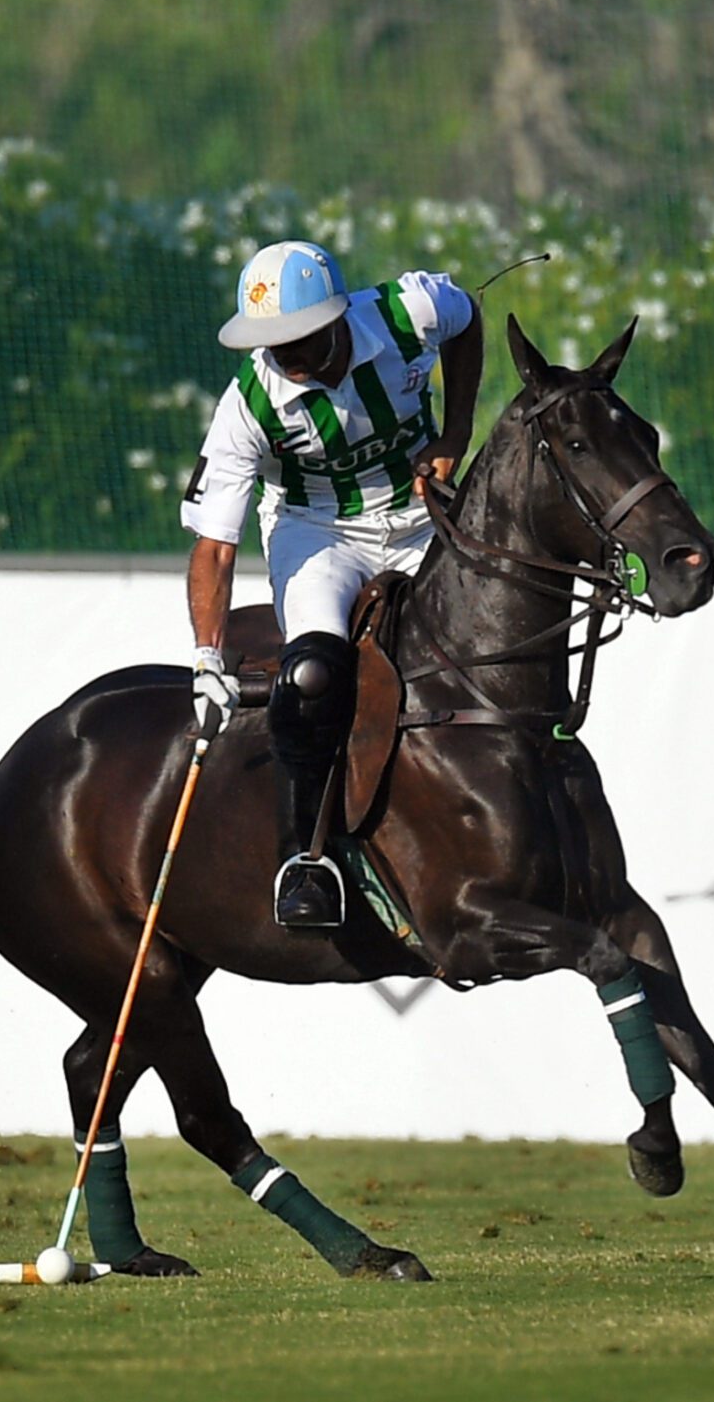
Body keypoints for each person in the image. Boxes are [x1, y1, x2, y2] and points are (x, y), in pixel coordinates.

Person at [180, 240, 483, 927]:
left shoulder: (413, 311)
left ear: (335, 320)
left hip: (419, 516)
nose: (281, 357)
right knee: (313, 673)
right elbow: (215, 547)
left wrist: (457, 429)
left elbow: (470, 323)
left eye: (295, 340)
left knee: (490, 632)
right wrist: (205, 659)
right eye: (268, 342)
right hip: (320, 534)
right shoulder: (248, 404)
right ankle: (308, 858)